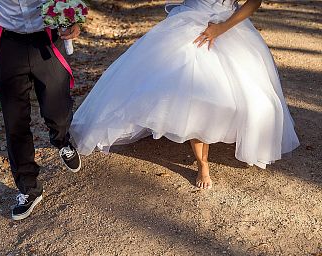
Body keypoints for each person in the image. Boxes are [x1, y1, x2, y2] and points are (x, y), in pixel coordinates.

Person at [70, 0, 300, 189]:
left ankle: (228, 138)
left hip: (228, 25)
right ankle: (202, 163)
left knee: (243, 95)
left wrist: (222, 28)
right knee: (188, 91)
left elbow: (254, 1)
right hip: (189, 22)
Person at [0, 0, 82, 220]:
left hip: (45, 36)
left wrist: (71, 20)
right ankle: (28, 188)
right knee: (15, 120)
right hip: (6, 41)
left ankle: (62, 140)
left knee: (58, 110)